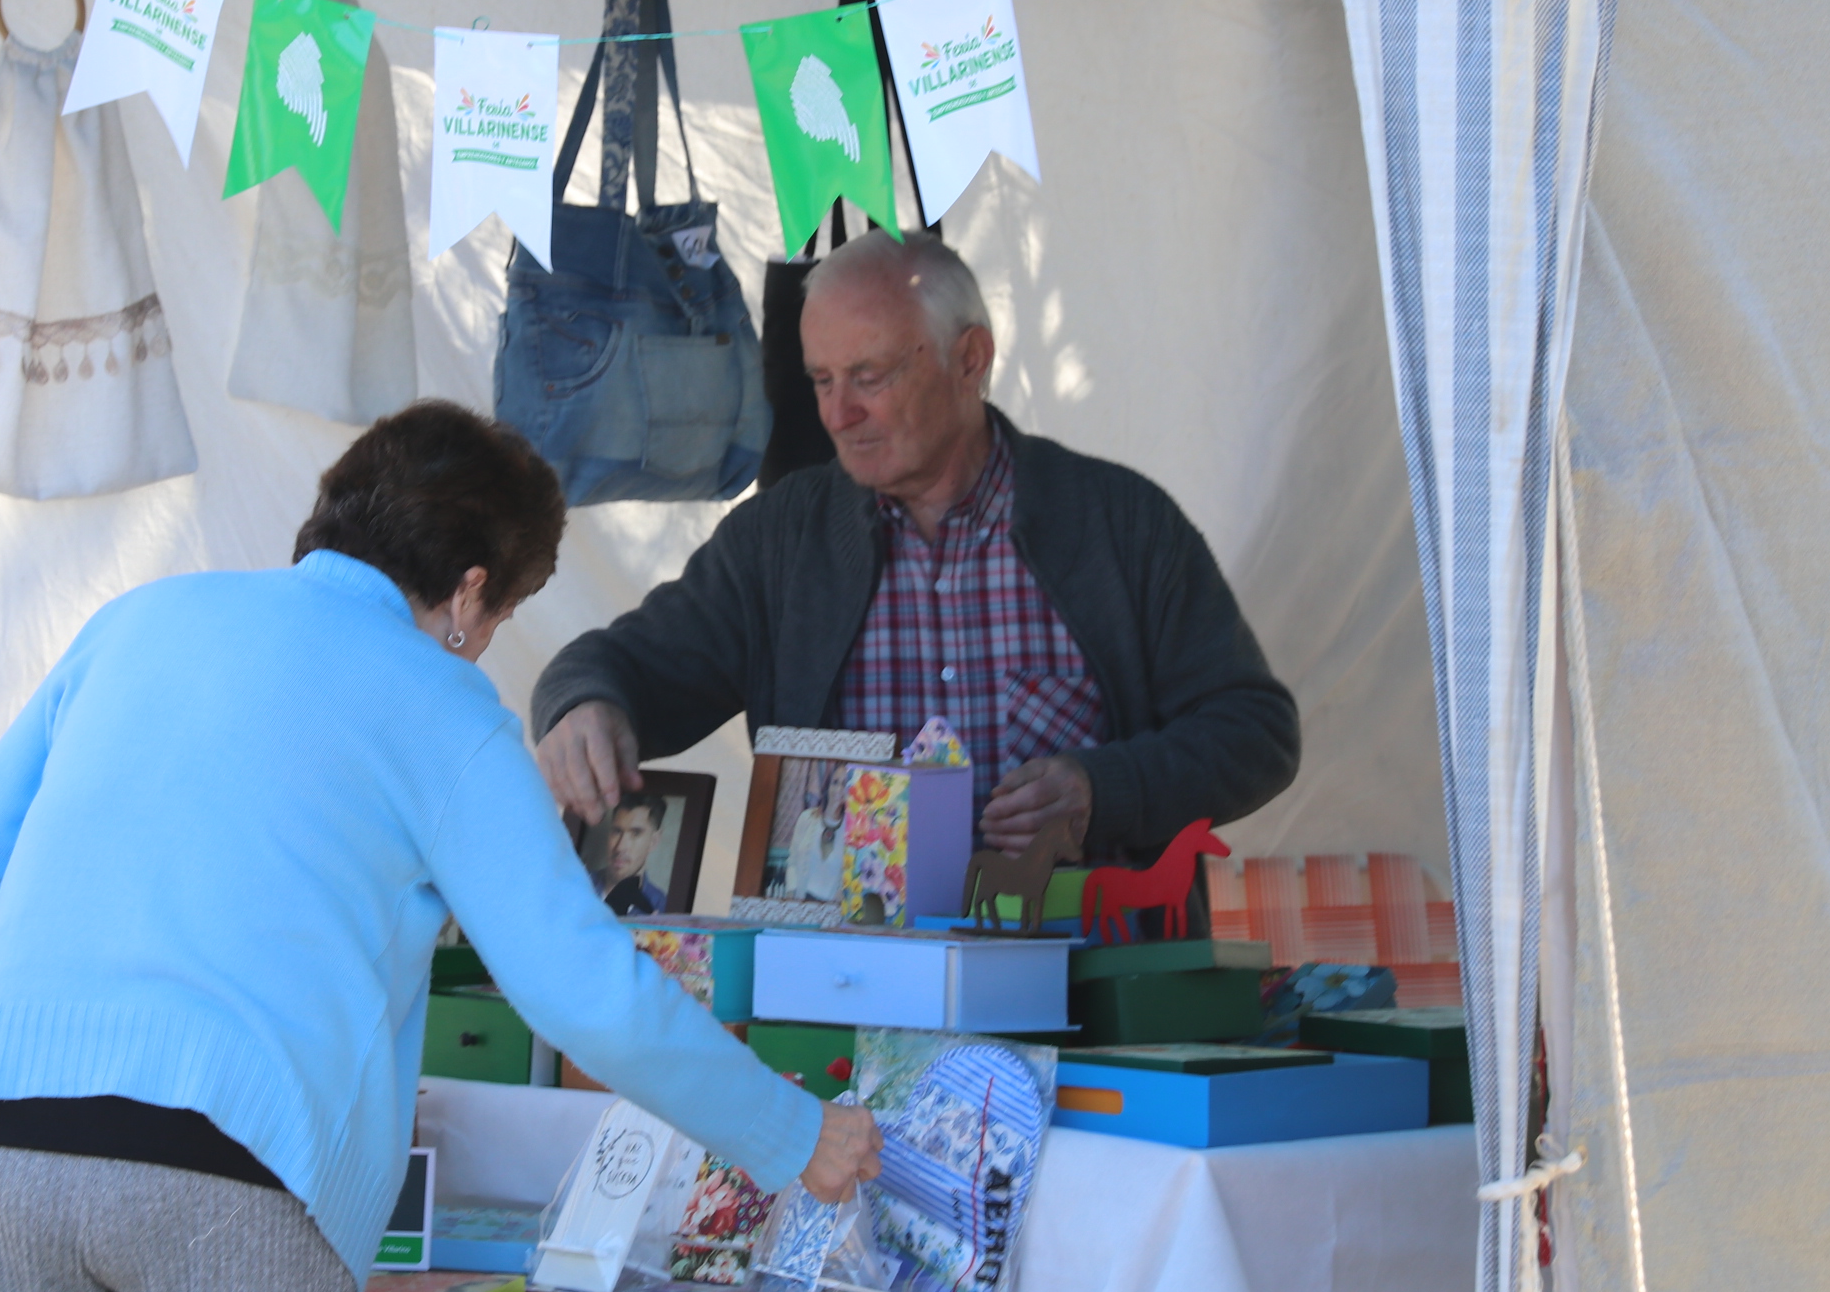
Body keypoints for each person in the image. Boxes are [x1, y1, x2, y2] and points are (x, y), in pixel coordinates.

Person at [0, 400, 882, 1292]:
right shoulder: (442, 704)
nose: (486, 642)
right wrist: (794, 1132)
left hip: (8, 1121)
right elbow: (582, 987)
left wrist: (114, 969)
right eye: (504, 613)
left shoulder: (141, 619)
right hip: (234, 1155)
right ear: (470, 592)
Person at [533, 230, 1299, 907]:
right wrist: (584, 703)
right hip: (848, 988)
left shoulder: (1121, 524)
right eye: (822, 380)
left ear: (970, 360)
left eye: (869, 376)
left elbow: (1256, 732)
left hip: (1088, 983)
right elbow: (627, 665)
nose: (838, 414)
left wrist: (1104, 789)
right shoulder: (779, 542)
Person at [594, 787, 666, 915]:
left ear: (654, 841)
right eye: (617, 831)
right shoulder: (577, 883)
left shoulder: (661, 905)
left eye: (635, 833)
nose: (620, 847)